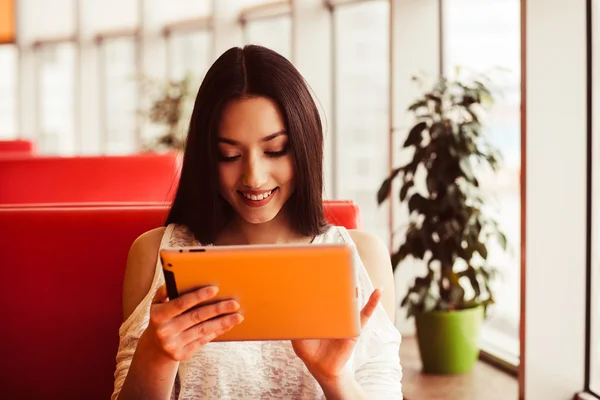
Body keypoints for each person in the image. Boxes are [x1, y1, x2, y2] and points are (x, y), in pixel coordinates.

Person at [112, 45, 402, 400]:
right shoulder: (154, 254)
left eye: (275, 150)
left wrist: (334, 378)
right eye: (229, 155)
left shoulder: (362, 256)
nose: (253, 176)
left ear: (305, 146)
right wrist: (156, 355)